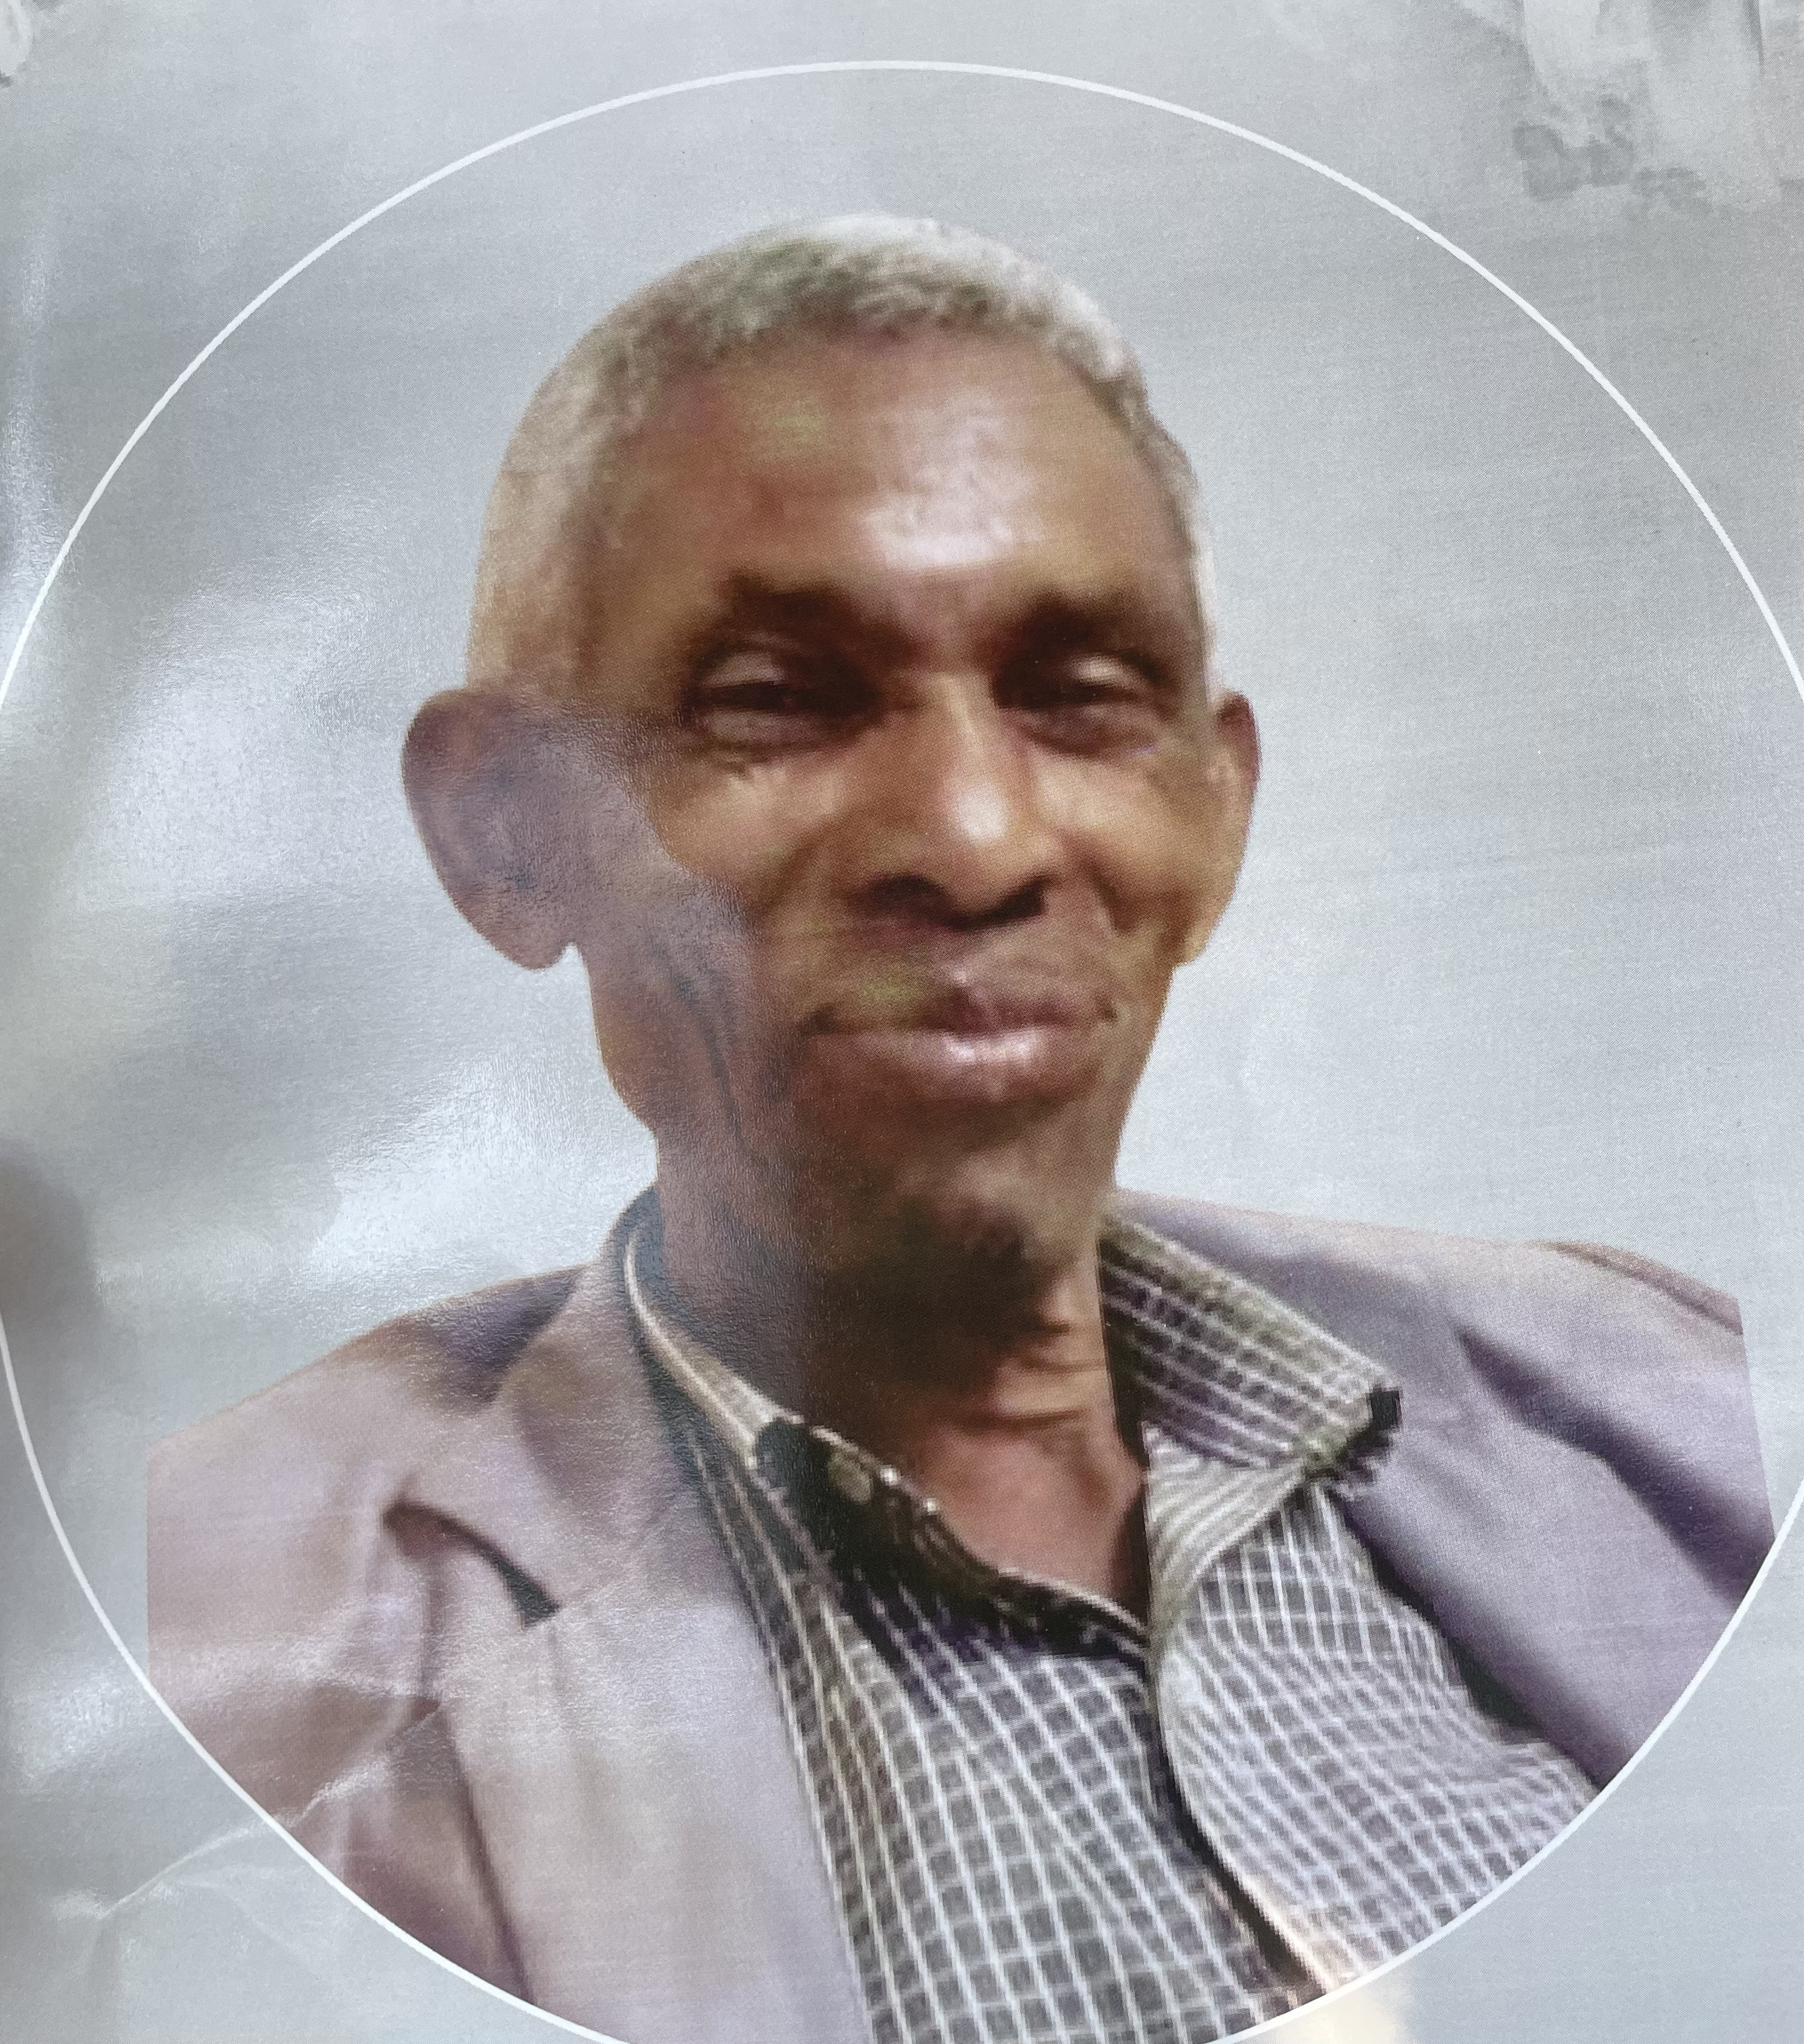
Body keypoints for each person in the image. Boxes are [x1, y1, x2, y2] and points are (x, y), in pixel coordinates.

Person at [148, 218, 1772, 2044]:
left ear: (1216, 808)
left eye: (1081, 696)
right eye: (775, 699)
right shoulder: (208, 1679)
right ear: (505, 834)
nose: (979, 840)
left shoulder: (1660, 1402)